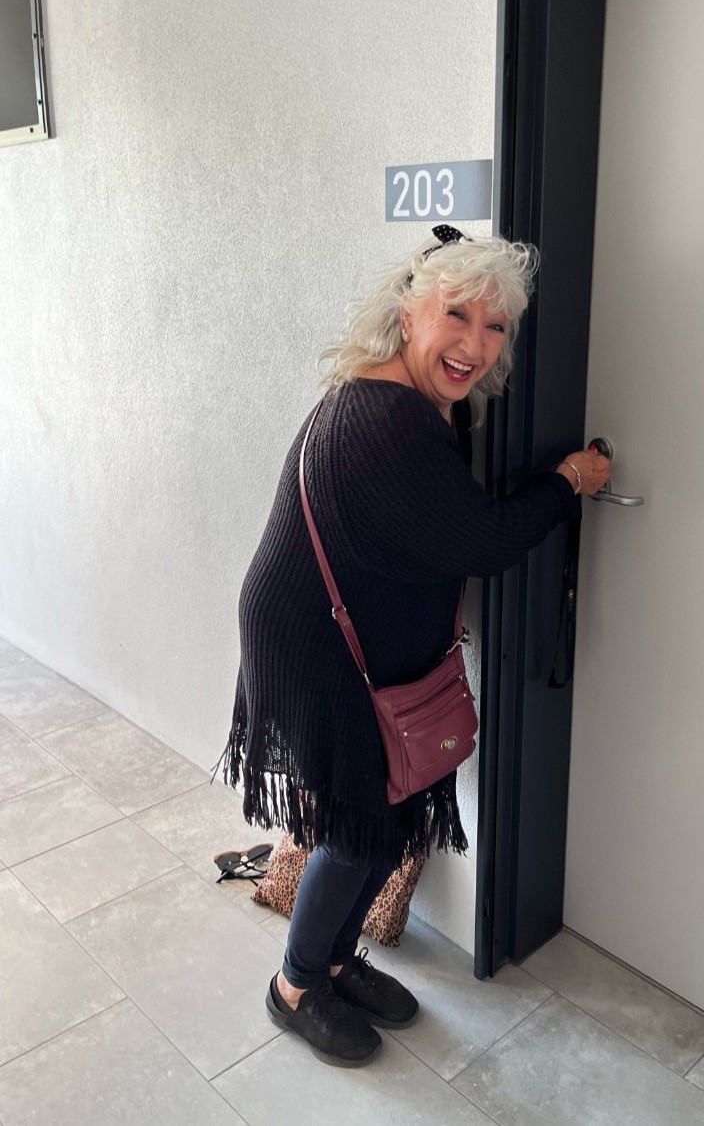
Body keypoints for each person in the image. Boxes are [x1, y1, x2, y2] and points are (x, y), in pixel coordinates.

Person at [213, 224, 611, 1067]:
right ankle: (295, 985)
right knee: (360, 828)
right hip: (316, 647)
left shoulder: (416, 401)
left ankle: (331, 955)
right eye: (456, 314)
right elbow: (477, 541)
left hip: (346, 638)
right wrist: (566, 482)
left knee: (385, 819)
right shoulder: (384, 419)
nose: (474, 342)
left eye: (496, 325)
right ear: (408, 309)